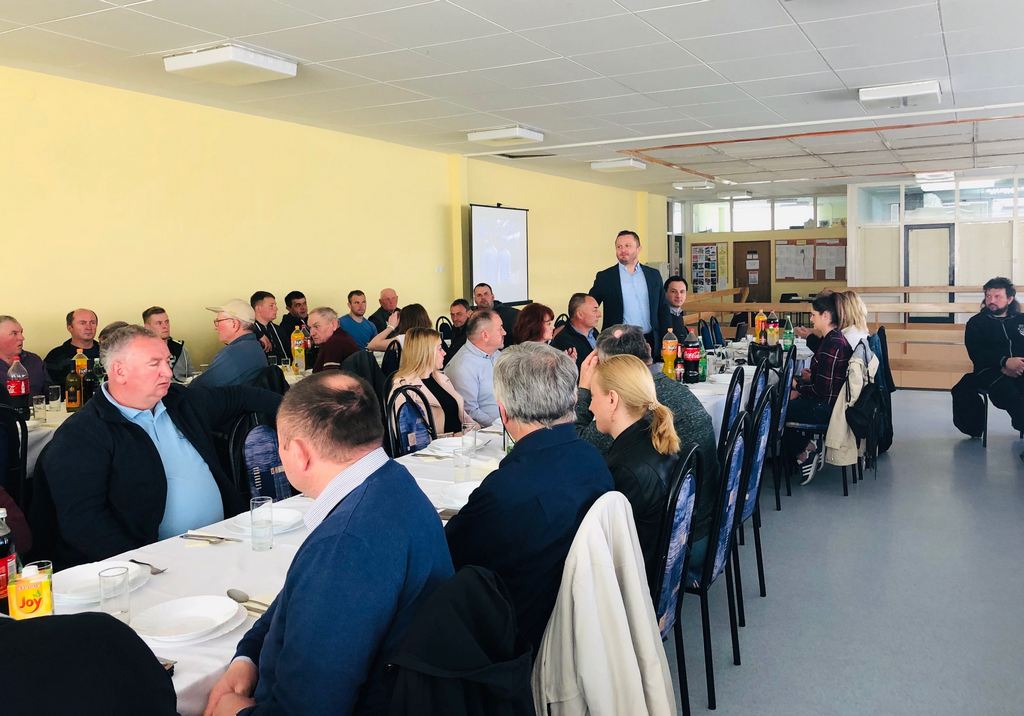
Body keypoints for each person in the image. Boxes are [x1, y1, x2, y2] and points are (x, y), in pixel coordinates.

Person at [203, 372, 453, 716]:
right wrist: (248, 656)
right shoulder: (391, 482)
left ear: (300, 453)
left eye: (281, 445)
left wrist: (234, 711)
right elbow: (288, 601)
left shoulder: (346, 544)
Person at [42, 325, 281, 568]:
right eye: (154, 364)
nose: (167, 372)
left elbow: (239, 396)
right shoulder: (82, 434)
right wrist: (146, 564)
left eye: (167, 361)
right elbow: (83, 522)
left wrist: (296, 414)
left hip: (224, 540)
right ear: (120, 371)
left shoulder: (179, 401)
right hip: (156, 565)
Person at [444, 343, 612, 657]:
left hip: (520, 639)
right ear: (573, 398)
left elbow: (448, 556)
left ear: (504, 413)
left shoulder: (506, 490)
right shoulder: (593, 458)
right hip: (581, 622)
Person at [575, 324, 719, 553]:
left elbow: (579, 450)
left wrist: (584, 389)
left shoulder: (633, 411)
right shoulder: (671, 390)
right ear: (649, 349)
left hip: (683, 542)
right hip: (707, 520)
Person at [588, 353, 681, 589]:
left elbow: (605, 549)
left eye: (593, 396)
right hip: (661, 569)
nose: (590, 406)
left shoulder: (626, 470)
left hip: (635, 586)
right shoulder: (654, 439)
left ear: (612, 399)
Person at [785, 292, 852, 484]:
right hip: (830, 402)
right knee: (784, 401)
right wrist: (807, 380)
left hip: (826, 408)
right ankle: (806, 447)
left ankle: (805, 450)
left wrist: (798, 386)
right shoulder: (832, 339)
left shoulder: (833, 344)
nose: (811, 319)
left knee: (778, 410)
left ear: (826, 316)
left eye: (813, 315)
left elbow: (821, 391)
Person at [388, 327, 476, 450]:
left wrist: (475, 430)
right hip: (436, 453)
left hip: (461, 446)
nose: (444, 353)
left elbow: (464, 418)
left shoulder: (441, 378)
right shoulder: (404, 388)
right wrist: (454, 437)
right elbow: (409, 440)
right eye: (439, 348)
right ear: (425, 352)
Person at [588, 230, 670, 352]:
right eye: (619, 247)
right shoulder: (605, 277)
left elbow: (663, 309)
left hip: (650, 340)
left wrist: (667, 339)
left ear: (638, 249)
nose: (623, 250)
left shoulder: (653, 275)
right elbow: (589, 305)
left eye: (627, 246)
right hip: (617, 342)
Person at [965, 276, 1024, 434]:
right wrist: (1004, 363)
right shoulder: (976, 323)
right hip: (990, 372)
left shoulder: (1021, 320)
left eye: (997, 296)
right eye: (988, 296)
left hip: (1021, 368)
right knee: (1011, 394)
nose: (991, 301)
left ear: (1010, 299)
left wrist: (1018, 365)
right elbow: (976, 352)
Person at [444, 309, 504, 426]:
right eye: (500, 328)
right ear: (485, 335)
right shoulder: (463, 367)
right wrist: (503, 427)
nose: (504, 332)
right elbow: (470, 412)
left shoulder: (497, 355)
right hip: (488, 432)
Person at [191, 299, 267, 389]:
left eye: (218, 322)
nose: (216, 328)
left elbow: (198, 387)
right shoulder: (255, 347)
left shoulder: (233, 352)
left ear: (234, 324)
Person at [44, 308, 100, 385]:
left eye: (92, 323)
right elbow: (51, 388)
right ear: (70, 328)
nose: (89, 328)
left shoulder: (108, 352)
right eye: (82, 323)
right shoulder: (55, 356)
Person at [549, 293, 601, 369]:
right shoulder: (564, 342)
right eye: (595, 310)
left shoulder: (593, 332)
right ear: (580, 314)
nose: (599, 314)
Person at [142, 306, 193, 383]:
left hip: (182, 388)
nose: (165, 326)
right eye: (159, 323)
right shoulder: (141, 351)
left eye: (167, 322)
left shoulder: (180, 348)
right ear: (147, 327)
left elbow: (191, 376)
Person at [0, 316, 49, 396]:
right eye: (14, 333)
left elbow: (51, 394)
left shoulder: (34, 361)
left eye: (21, 333)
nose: (22, 338)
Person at [308, 307, 359, 372]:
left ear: (334, 324)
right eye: (310, 328)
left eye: (316, 326)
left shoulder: (335, 342)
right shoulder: (339, 337)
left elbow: (329, 376)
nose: (311, 333)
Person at [366, 303, 430, 352]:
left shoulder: (406, 339)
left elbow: (371, 345)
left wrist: (391, 326)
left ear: (406, 321)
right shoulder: (432, 336)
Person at [250, 291, 290, 363]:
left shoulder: (279, 330)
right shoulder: (249, 332)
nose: (276, 308)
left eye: (275, 305)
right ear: (258, 308)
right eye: (271, 305)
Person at [445, 298, 471, 365]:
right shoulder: (456, 327)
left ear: (469, 313)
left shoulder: (472, 330)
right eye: (452, 315)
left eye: (459, 314)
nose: (455, 319)